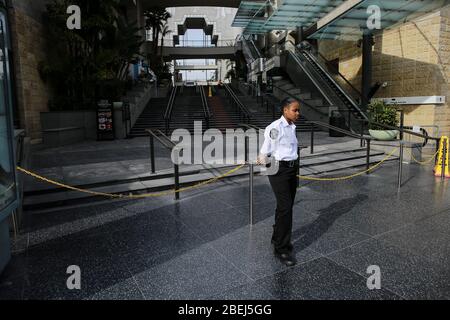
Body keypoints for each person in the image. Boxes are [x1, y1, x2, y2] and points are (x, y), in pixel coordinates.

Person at [257, 97, 301, 267]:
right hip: (277, 168)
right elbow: (266, 146)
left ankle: (277, 236)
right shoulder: (276, 127)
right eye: (294, 110)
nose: (297, 113)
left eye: (298, 110)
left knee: (285, 206)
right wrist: (262, 157)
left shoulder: (291, 127)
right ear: (285, 110)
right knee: (285, 207)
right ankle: (281, 249)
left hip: (291, 168)